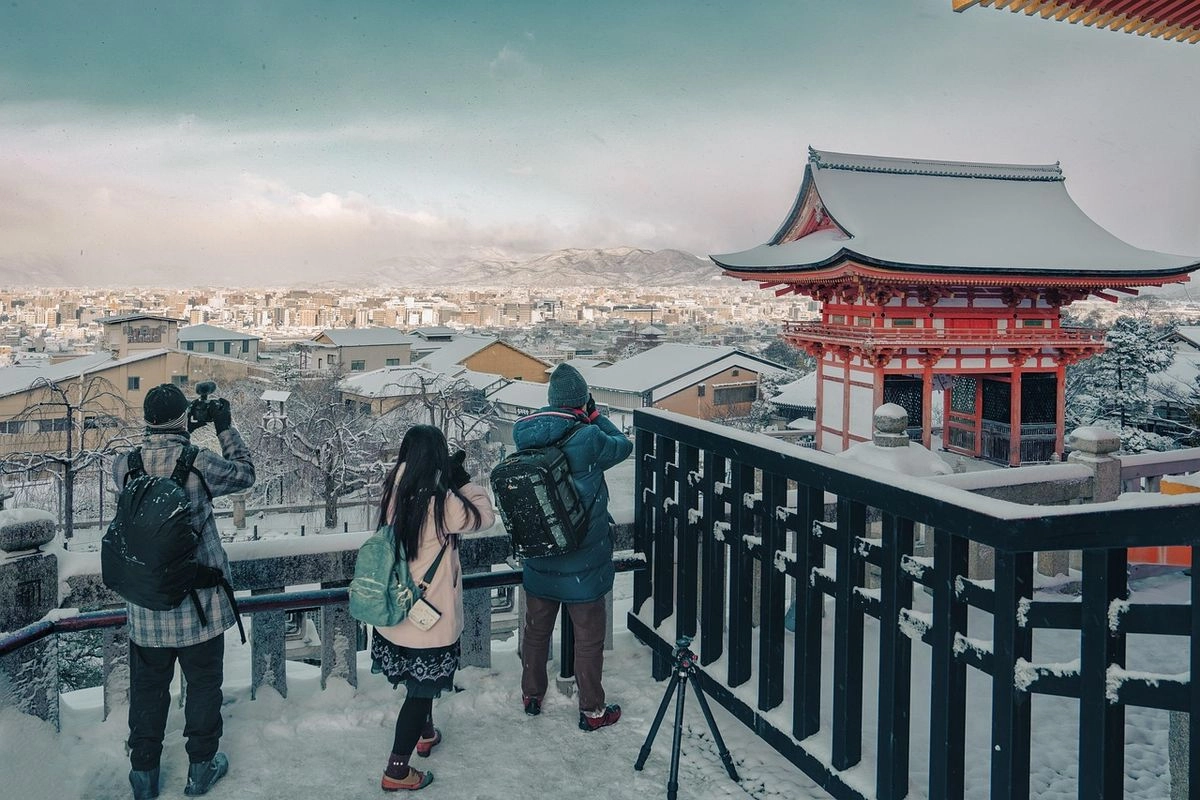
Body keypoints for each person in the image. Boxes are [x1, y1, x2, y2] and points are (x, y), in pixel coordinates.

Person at [115, 384, 255, 799]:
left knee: (148, 693)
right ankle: (200, 769)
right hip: (199, 606)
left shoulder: (124, 465)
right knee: (203, 686)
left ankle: (143, 777)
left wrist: (179, 428)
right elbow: (245, 474)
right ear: (183, 419)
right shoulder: (199, 463)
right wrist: (223, 427)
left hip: (146, 607)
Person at [370, 425, 495, 792]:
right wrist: (462, 481)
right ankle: (397, 770)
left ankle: (425, 733)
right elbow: (484, 517)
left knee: (417, 679)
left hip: (399, 608)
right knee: (420, 690)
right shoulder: (442, 502)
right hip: (430, 615)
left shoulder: (394, 487)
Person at [513, 363, 633, 731]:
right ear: (581, 402)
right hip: (583, 561)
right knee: (587, 641)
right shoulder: (588, 437)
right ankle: (592, 709)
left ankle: (532, 695)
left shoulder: (524, 433)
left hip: (540, 556)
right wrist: (596, 416)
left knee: (535, 633)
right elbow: (623, 446)